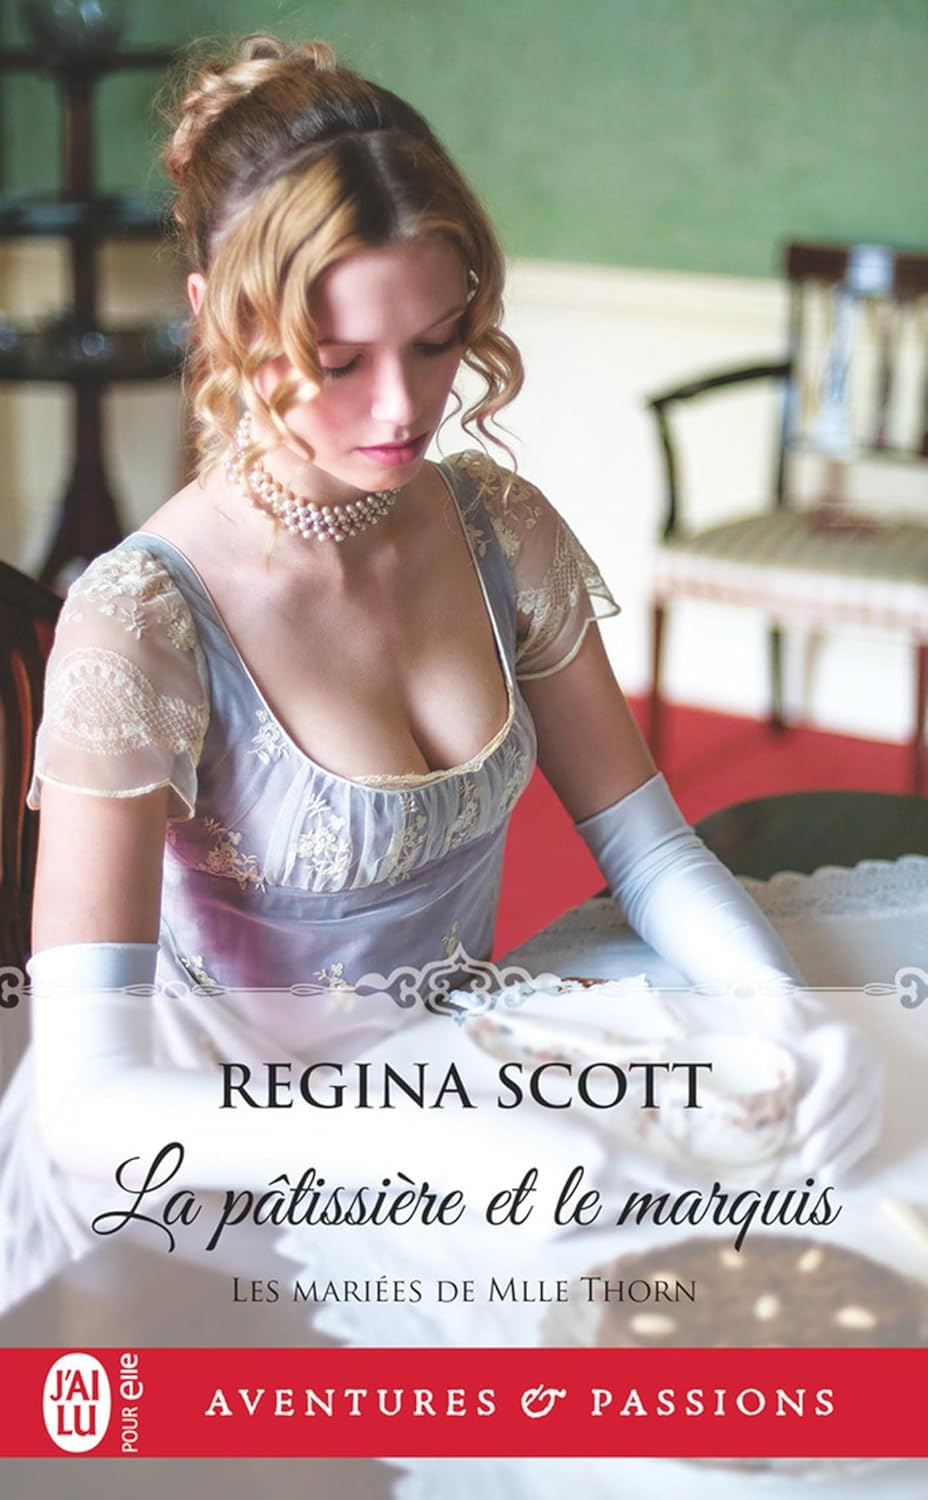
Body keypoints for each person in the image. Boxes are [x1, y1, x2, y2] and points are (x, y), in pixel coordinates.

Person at [4, 35, 875, 1310]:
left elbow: (646, 850)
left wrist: (787, 1015)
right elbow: (90, 1106)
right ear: (219, 320)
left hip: (457, 1088)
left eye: (434, 340)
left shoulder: (494, 527)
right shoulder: (143, 619)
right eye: (339, 361)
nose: (402, 409)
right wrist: (431, 1149)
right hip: (198, 1193)